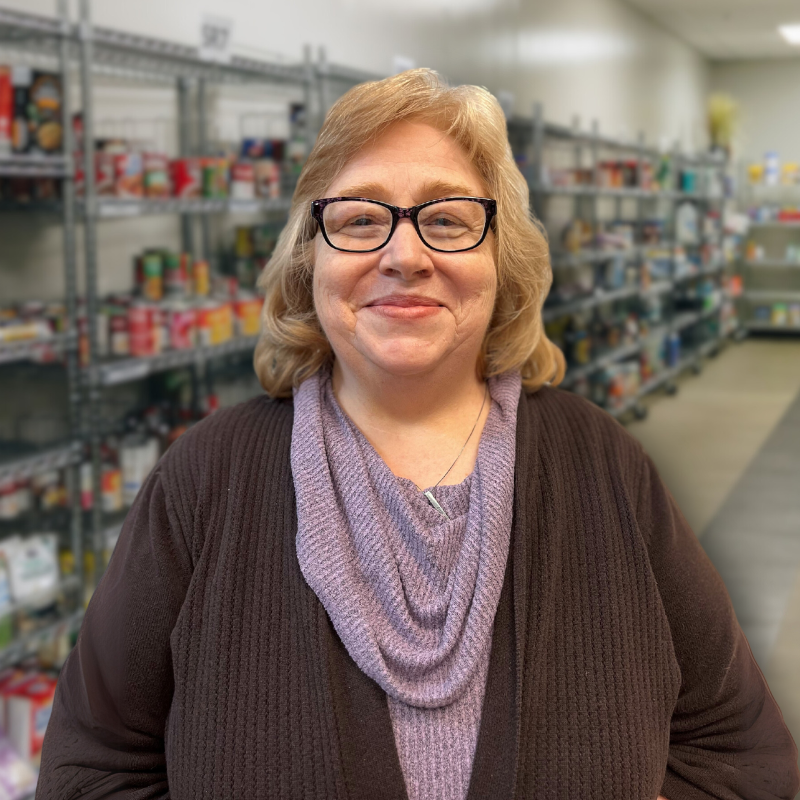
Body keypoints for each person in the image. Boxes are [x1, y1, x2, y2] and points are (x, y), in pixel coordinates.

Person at [37, 69, 798, 800]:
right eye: (362, 219)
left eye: (447, 220)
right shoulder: (205, 479)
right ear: (311, 258)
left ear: (504, 258)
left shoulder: (602, 465)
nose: (405, 256)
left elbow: (742, 754)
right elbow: (90, 770)